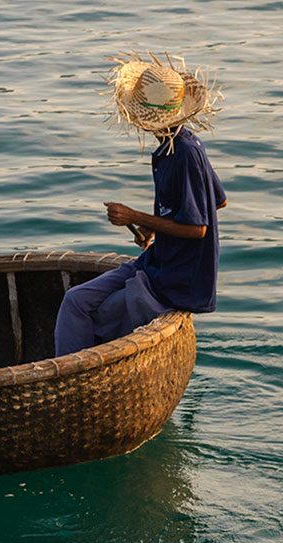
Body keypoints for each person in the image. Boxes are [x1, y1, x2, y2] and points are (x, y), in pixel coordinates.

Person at [55, 53, 227, 358]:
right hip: (156, 262)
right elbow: (218, 200)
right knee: (75, 300)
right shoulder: (173, 147)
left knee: (99, 316)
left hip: (175, 280)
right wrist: (150, 227)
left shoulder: (185, 153)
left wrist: (133, 216)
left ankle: (77, 376)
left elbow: (198, 228)